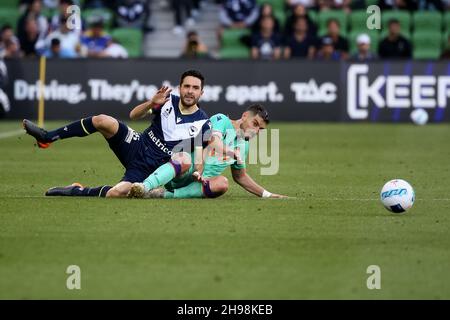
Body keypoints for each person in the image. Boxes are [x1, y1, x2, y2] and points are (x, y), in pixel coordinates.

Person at [23, 70, 212, 198]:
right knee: (102, 120)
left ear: (201, 93)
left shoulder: (203, 122)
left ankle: (76, 190)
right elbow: (133, 115)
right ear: (180, 87)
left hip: (150, 168)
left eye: (195, 88)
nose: (190, 91)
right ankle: (47, 137)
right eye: (187, 86)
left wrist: (197, 174)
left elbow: (200, 157)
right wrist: (151, 102)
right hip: (137, 143)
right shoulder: (168, 99)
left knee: (118, 193)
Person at [128, 105, 287, 199]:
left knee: (223, 184)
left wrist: (267, 194)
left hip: (199, 184)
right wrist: (231, 153)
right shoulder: (221, 120)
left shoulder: (244, 146)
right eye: (255, 123)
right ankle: (144, 186)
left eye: (261, 129)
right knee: (183, 157)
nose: (256, 131)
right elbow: (213, 141)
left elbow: (240, 176)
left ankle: (162, 195)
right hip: (183, 170)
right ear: (245, 116)